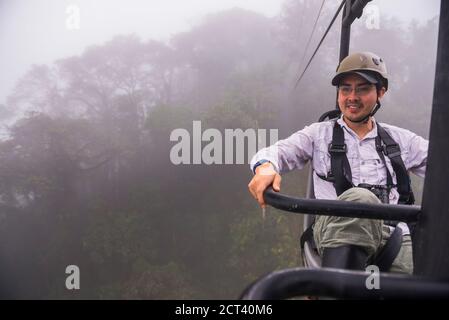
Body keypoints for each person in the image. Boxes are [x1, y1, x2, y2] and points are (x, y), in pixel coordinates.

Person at [248, 52, 428, 273]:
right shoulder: (318, 135)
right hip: (335, 231)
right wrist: (266, 167)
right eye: (345, 89)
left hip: (394, 238)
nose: (352, 97)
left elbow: (439, 164)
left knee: (429, 267)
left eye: (362, 89)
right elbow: (278, 152)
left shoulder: (401, 140)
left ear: (381, 92)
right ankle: (337, 287)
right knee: (360, 200)